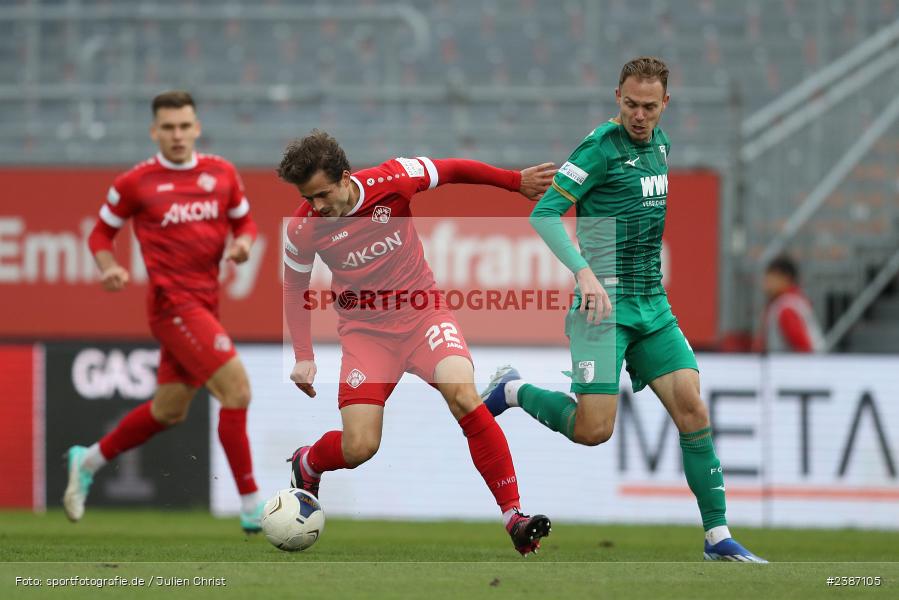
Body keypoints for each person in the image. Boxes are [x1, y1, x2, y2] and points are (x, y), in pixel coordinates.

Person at [480, 57, 767, 562]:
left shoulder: (662, 144)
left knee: (694, 408)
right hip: (601, 307)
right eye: (631, 104)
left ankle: (717, 537)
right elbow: (544, 213)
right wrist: (585, 273)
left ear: (665, 105)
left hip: (652, 303)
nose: (639, 115)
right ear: (618, 97)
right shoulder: (598, 149)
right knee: (594, 431)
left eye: (649, 107)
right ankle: (513, 389)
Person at [278, 130, 556, 555]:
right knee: (360, 447)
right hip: (366, 334)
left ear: (346, 177)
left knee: (464, 394)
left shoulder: (393, 179)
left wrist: (515, 182)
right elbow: (294, 285)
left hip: (423, 315)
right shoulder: (303, 228)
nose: (315, 206)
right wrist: (303, 355)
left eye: (321, 194)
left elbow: (454, 169)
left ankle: (513, 516)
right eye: (308, 198)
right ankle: (309, 461)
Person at [64, 91, 266, 533]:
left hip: (207, 303)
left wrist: (244, 243)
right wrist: (110, 265)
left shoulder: (222, 173)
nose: (177, 135)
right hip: (172, 306)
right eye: (168, 127)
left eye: (184, 126)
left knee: (168, 411)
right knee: (238, 391)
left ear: (196, 127)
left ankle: (88, 460)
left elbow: (246, 222)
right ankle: (252, 505)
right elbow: (100, 234)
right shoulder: (136, 182)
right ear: (154, 131)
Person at [759, 254, 825, 353]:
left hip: (794, 367)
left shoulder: (786, 308)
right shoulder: (792, 301)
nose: (765, 283)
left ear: (785, 278)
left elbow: (804, 348)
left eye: (770, 278)